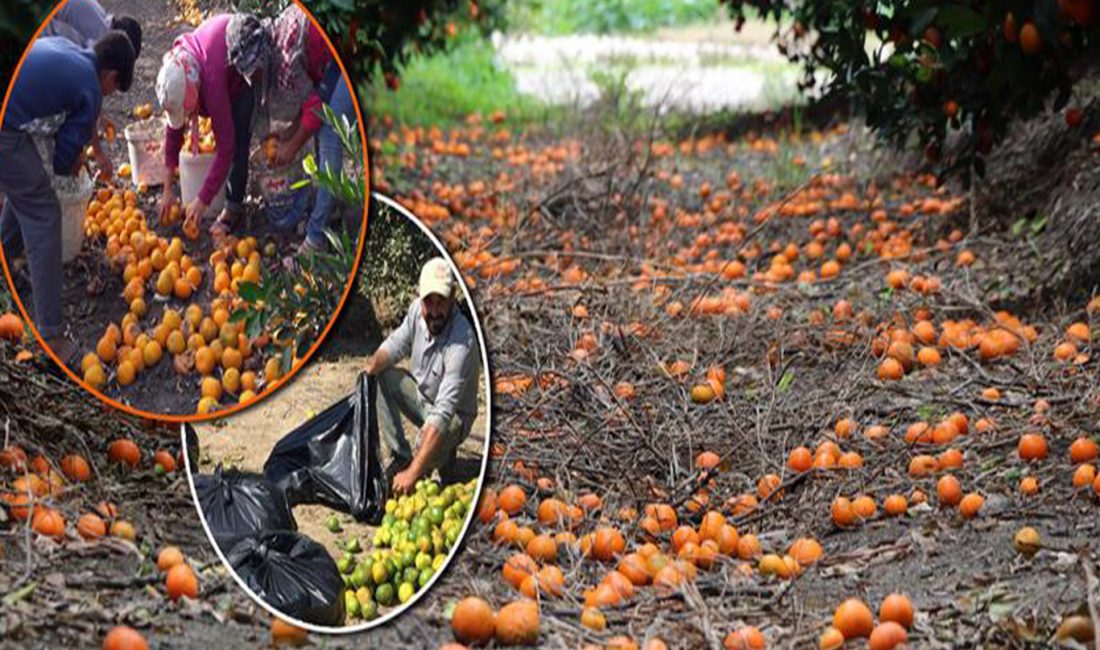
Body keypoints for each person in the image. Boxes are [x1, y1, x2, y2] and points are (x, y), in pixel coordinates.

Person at [0, 33, 136, 363]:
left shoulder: (70, 51)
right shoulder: (90, 86)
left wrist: (76, 151)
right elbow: (62, 163)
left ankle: (6, 254)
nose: (108, 95)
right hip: (6, 128)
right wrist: (74, 159)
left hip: (11, 119)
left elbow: (59, 123)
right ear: (111, 76)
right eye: (114, 89)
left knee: (29, 189)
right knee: (44, 212)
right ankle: (51, 336)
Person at [364, 258, 480, 494]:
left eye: (442, 302)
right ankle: (400, 456)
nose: (435, 311)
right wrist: (369, 369)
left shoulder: (462, 342)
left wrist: (413, 473)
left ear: (453, 297)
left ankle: (440, 457)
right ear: (420, 297)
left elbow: (444, 412)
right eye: (429, 302)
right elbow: (396, 344)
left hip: (454, 416)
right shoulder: (417, 311)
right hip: (423, 396)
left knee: (431, 440)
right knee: (382, 374)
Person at [156, 13, 272, 243]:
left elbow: (226, 148)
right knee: (225, 134)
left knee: (237, 140)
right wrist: (167, 189)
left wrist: (202, 200)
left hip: (242, 69)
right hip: (220, 58)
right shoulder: (176, 66)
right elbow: (174, 132)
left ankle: (233, 207)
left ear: (196, 90)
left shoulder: (212, 81)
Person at [267, 4, 357, 254]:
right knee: (321, 124)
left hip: (352, 47)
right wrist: (289, 134)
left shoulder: (285, 56)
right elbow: (312, 98)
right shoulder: (283, 40)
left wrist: (292, 146)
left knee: (330, 127)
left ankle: (315, 240)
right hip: (336, 53)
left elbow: (316, 108)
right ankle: (330, 208)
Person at [43, 0, 142, 180]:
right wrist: (96, 152)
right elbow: (87, 95)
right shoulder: (98, 36)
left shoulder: (100, 22)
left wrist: (99, 115)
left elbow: (90, 90)